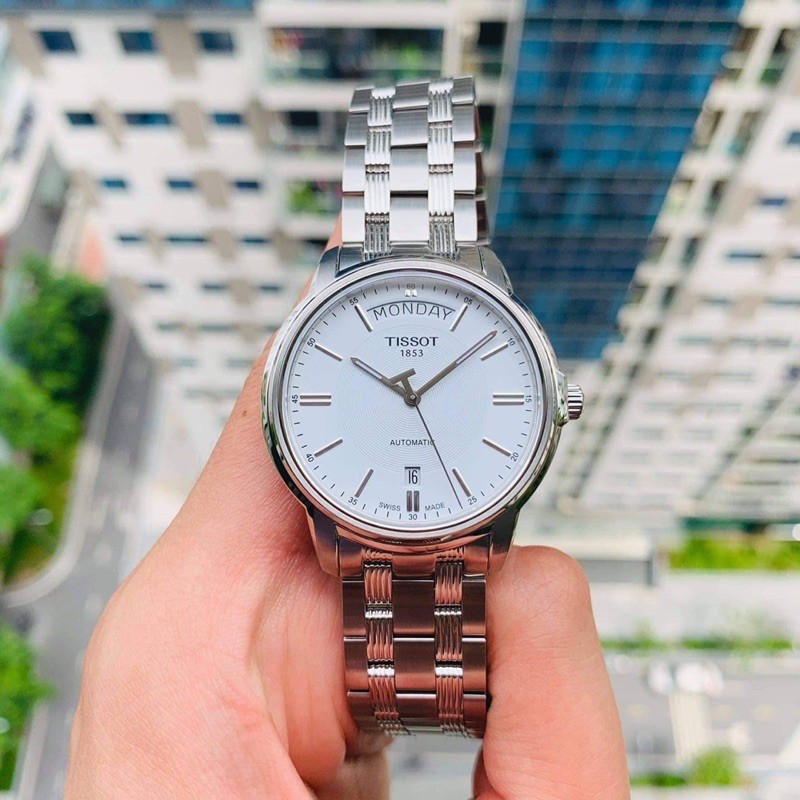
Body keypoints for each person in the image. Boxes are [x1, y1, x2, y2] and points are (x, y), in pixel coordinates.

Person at [65, 222, 631, 799]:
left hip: (442, 518)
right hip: (377, 521)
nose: (412, 398)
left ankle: (387, 699)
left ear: (556, 403)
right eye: (408, 395)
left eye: (416, 395)